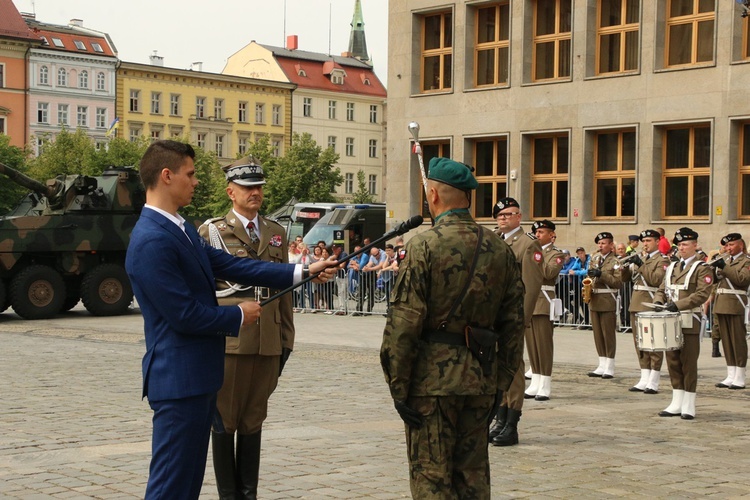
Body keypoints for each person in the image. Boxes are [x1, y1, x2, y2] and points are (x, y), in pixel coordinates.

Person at [124, 140, 333, 499]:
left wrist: (304, 271)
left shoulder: (181, 228)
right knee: (170, 485)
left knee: (186, 484)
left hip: (197, 377)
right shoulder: (151, 240)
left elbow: (231, 264)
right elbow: (183, 315)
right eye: (190, 174)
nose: (196, 182)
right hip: (179, 381)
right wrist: (236, 314)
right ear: (166, 175)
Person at [380, 157, 524, 498]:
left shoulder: (423, 246)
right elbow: (515, 324)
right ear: (468, 198)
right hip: (481, 379)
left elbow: (403, 324)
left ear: (433, 195)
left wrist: (398, 386)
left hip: (431, 384)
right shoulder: (499, 248)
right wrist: (501, 381)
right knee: (473, 475)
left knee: (431, 475)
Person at [198, 155, 294, 499]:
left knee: (254, 419)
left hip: (268, 341)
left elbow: (284, 291)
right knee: (225, 419)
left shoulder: (276, 232)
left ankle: (248, 493)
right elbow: (205, 291)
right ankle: (229, 494)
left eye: (259, 187)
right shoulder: (211, 232)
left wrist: (286, 340)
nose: (255, 192)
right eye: (247, 187)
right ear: (230, 192)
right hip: (230, 341)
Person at [489, 196, 543, 447]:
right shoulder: (494, 241)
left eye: (509, 214)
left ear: (519, 217)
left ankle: (512, 423)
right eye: (500, 215)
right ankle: (500, 418)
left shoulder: (527, 245)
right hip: (492, 316)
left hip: (512, 317)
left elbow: (531, 288)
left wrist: (521, 319)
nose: (503, 218)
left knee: (513, 368)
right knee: (498, 367)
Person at [653, 227, 713, 419]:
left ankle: (689, 403)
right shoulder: (672, 266)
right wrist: (657, 301)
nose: (682, 248)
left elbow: (702, 294)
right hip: (671, 320)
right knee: (673, 361)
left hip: (689, 320)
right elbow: (662, 288)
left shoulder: (702, 268)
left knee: (688, 362)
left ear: (695, 245)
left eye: (685, 244)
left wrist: (678, 305)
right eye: (679, 245)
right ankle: (676, 400)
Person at [620, 229, 669, 394]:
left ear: (657, 241)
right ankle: (644, 376)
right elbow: (625, 279)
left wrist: (641, 265)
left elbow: (656, 279)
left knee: (653, 344)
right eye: (644, 241)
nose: (645, 244)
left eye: (648, 240)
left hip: (650, 304)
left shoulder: (662, 260)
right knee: (639, 343)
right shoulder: (641, 258)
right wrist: (625, 267)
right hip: (636, 303)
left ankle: (654, 379)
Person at [525, 220, 565, 400]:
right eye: (536, 232)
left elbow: (549, 273)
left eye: (541, 232)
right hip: (530, 300)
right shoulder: (533, 252)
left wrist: (536, 256)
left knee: (543, 344)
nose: (537, 235)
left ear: (551, 235)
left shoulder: (555, 254)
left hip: (543, 301)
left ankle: (545, 383)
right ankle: (536, 380)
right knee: (532, 345)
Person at [710, 233, 750, 390]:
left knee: (737, 341)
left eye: (731, 245)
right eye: (726, 246)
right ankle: (731, 373)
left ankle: (740, 375)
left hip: (735, 305)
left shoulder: (746, 261)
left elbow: (742, 280)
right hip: (721, 304)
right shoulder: (726, 260)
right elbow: (714, 281)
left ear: (740, 245)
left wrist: (724, 267)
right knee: (726, 341)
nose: (728, 248)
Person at [586, 232, 622, 379]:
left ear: (611, 245)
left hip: (607, 299)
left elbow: (617, 282)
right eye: (599, 243)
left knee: (608, 334)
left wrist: (601, 274)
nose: (600, 246)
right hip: (595, 299)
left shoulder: (615, 261)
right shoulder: (595, 259)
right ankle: (601, 363)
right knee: (598, 334)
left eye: (603, 243)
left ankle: (610, 365)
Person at [569, 247, 591, 327]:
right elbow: (572, 269)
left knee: (586, 303)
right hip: (579, 284)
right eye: (578, 254)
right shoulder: (577, 261)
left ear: (584, 252)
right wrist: (573, 271)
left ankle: (588, 322)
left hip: (588, 284)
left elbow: (587, 271)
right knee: (579, 302)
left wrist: (576, 272)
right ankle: (582, 320)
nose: (580, 255)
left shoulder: (589, 260)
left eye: (581, 253)